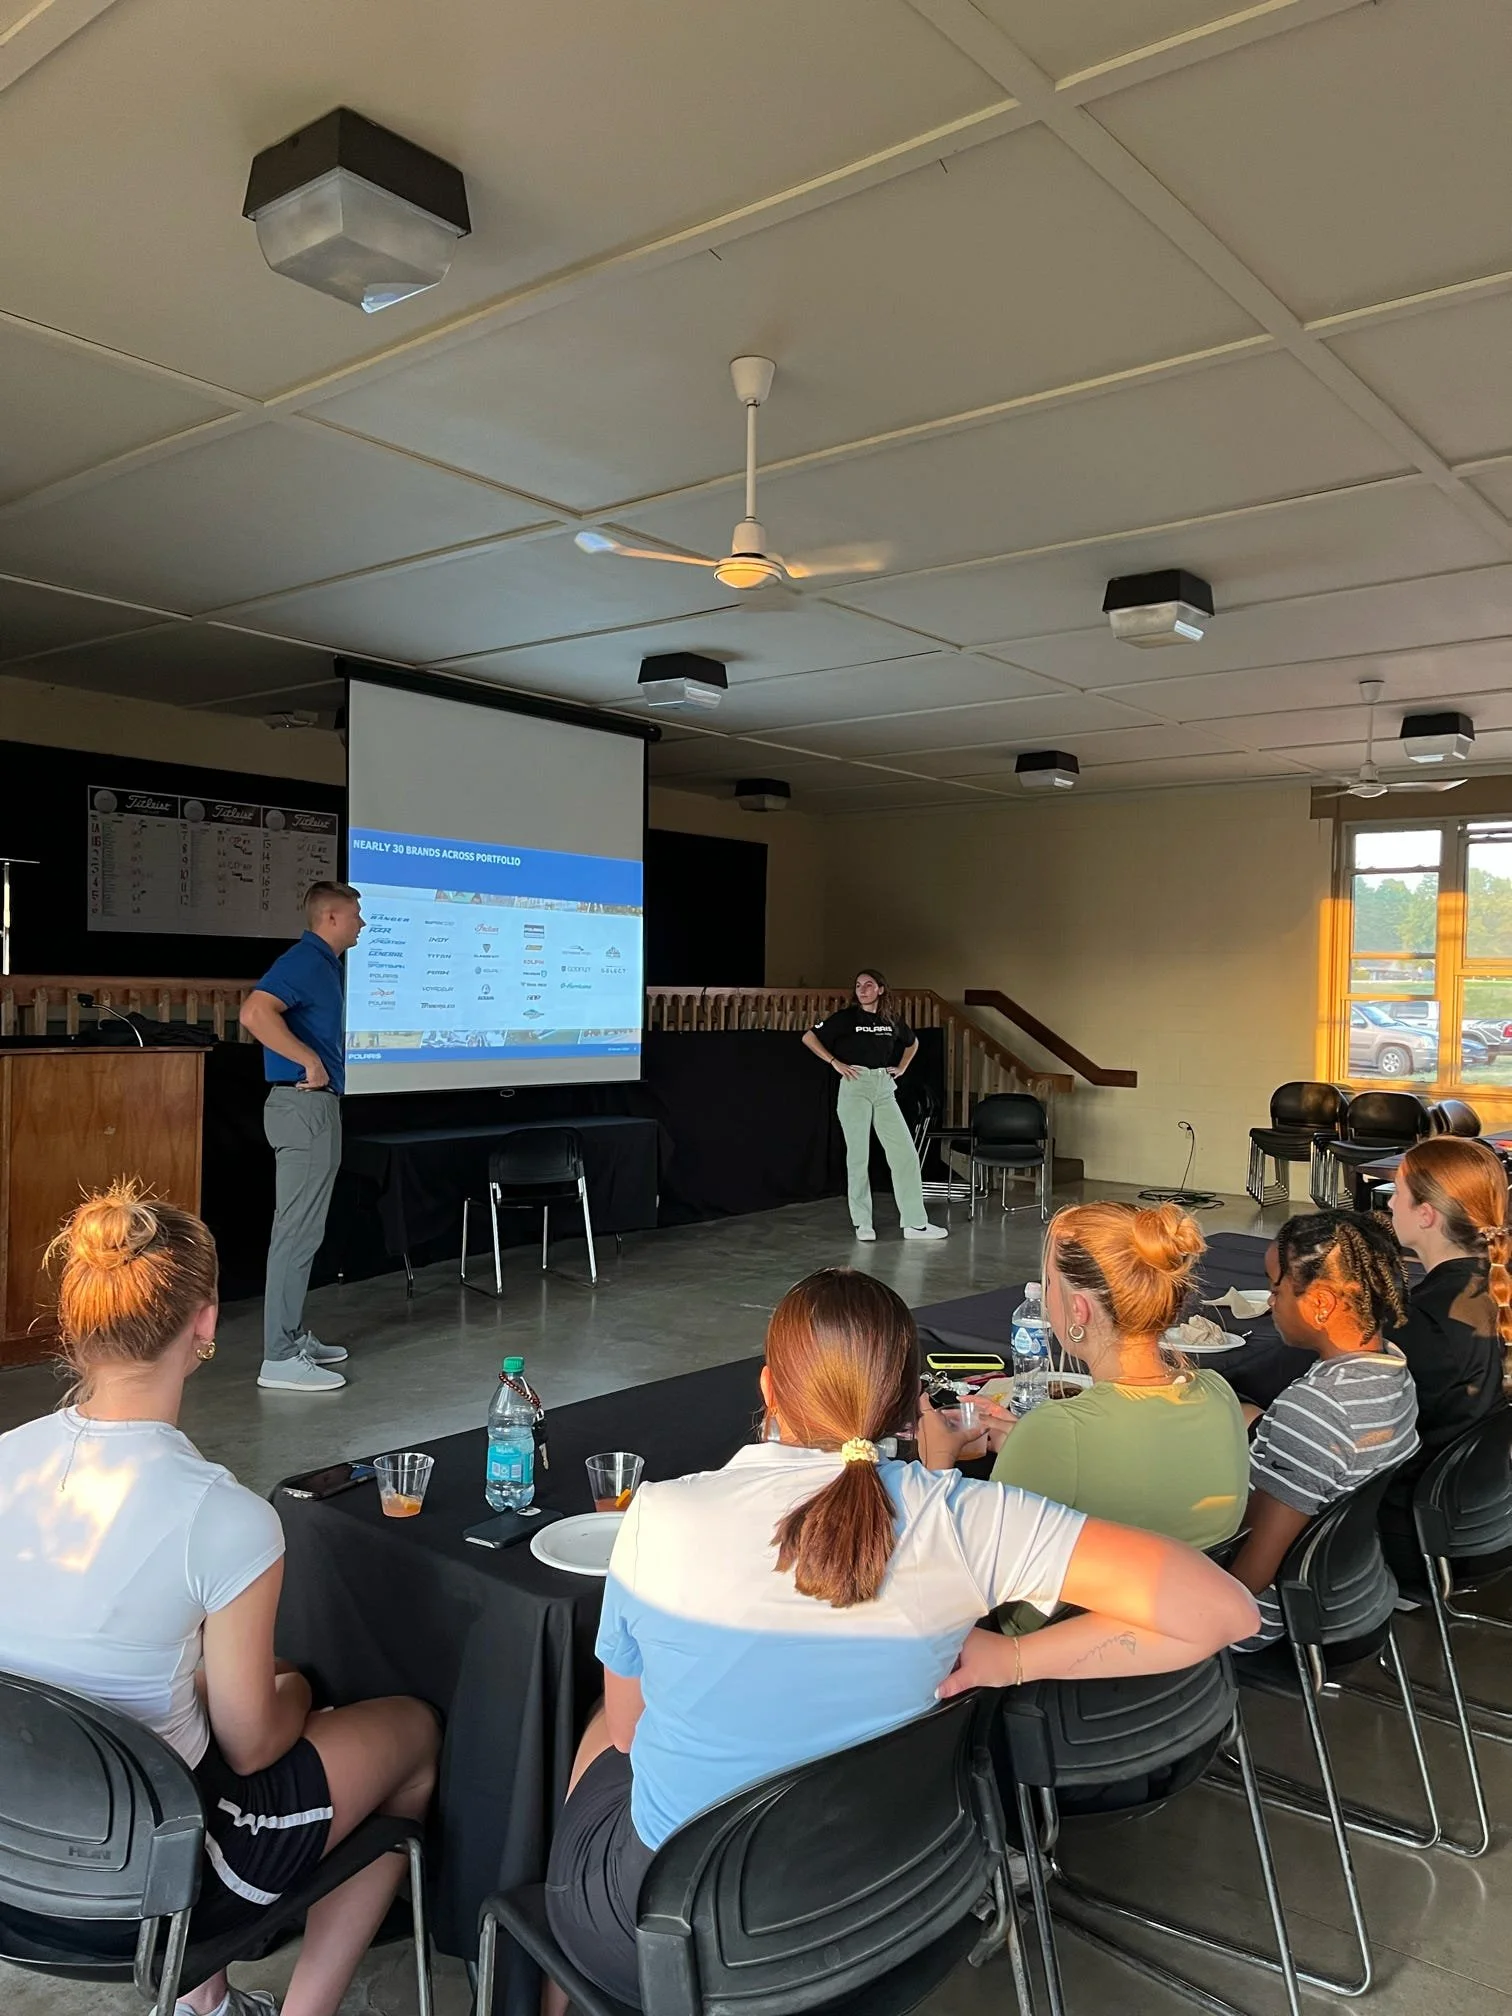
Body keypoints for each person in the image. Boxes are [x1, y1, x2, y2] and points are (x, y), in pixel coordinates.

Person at [543, 1267, 1259, 2008]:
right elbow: (1224, 1612)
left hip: (683, 1943)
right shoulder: (969, 1519)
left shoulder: (660, 1516)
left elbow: (631, 1734)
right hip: (903, 1900)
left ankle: (558, 1986)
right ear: (908, 1405)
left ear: (768, 1391)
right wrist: (1012, 1658)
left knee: (606, 1727)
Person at [0, 1183, 438, 2016]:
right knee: (411, 1734)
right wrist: (297, 1688)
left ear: (75, 1322)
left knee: (171, 1719)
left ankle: (209, 2004)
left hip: (13, 1860)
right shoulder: (226, 1516)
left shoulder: (4, 1458)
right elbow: (251, 1750)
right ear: (204, 1325)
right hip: (153, 1894)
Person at [920, 1203, 1249, 1563]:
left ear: (1080, 1309)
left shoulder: (1059, 1430)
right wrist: (1030, 1444)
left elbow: (970, 1570)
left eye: (1048, 1283)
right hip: (1190, 1612)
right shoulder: (1219, 1393)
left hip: (1059, 1619)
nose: (1045, 1297)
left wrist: (938, 1459)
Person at [1230, 1211, 1419, 1646]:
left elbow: (1249, 1576)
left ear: (1320, 1304)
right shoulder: (1393, 1371)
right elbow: (1321, 1455)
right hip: (1356, 1592)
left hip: (1276, 1617)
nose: (1269, 1303)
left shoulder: (1315, 1410)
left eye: (1276, 1289)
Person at [241, 881, 363, 1393]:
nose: (362, 924)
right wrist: (308, 1059)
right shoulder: (307, 958)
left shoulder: (323, 964)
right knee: (295, 1234)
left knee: (304, 1232)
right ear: (331, 917)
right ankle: (280, 1357)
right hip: (303, 1107)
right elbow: (254, 1012)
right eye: (356, 915)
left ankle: (290, 1337)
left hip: (312, 1109)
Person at [802, 970, 946, 1243]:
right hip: (855, 1084)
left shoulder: (890, 1020)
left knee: (904, 1153)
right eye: (858, 985)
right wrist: (834, 1062)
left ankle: (915, 1223)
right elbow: (809, 1037)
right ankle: (863, 1223)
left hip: (882, 1085)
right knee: (858, 1157)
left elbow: (912, 1043)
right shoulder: (846, 1018)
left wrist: (902, 1067)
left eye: (868, 985)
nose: (862, 990)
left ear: (880, 989)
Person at [1387, 1135, 1510, 1445]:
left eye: (1397, 1193)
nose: (1389, 1203)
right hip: (1484, 1482)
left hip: (1416, 1484)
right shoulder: (1498, 1287)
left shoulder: (1424, 1321)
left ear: (1426, 1214)